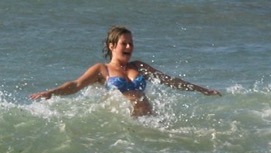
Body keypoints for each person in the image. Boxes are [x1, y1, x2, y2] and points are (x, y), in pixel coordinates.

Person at [30, 26, 221, 116]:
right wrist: (51, 93)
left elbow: (169, 80)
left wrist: (202, 90)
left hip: (150, 121)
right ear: (112, 45)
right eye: (124, 43)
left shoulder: (138, 66)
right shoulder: (101, 69)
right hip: (127, 125)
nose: (129, 46)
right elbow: (75, 85)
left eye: (131, 43)